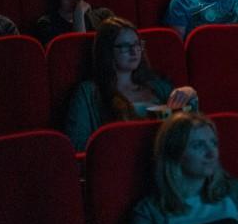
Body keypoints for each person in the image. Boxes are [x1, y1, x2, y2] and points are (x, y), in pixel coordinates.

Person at [63, 16, 196, 149]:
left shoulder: (156, 85)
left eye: (137, 44)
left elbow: (189, 127)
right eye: (125, 46)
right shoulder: (88, 92)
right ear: (107, 51)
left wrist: (190, 94)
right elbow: (78, 145)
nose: (134, 51)